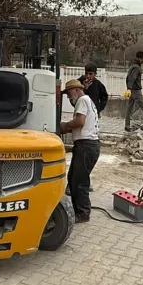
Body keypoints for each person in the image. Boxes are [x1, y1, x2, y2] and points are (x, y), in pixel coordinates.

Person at [60, 78, 100, 223]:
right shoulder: (88, 101)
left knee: (80, 181)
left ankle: (83, 213)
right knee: (73, 179)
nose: (69, 97)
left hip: (86, 146)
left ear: (77, 90)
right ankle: (78, 209)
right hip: (88, 146)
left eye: (69, 93)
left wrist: (65, 126)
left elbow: (80, 122)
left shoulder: (82, 100)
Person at [77, 64, 108, 193]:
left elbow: (105, 97)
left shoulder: (99, 85)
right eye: (87, 73)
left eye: (91, 74)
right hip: (82, 116)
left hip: (93, 117)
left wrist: (98, 109)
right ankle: (81, 181)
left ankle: (85, 180)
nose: (88, 76)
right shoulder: (80, 82)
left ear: (95, 74)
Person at [124, 51, 143, 131]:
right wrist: (129, 88)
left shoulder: (132, 66)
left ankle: (127, 126)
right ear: (138, 58)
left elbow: (128, 78)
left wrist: (128, 89)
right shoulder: (137, 68)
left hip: (131, 90)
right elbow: (132, 78)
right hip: (136, 91)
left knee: (129, 108)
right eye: (142, 59)